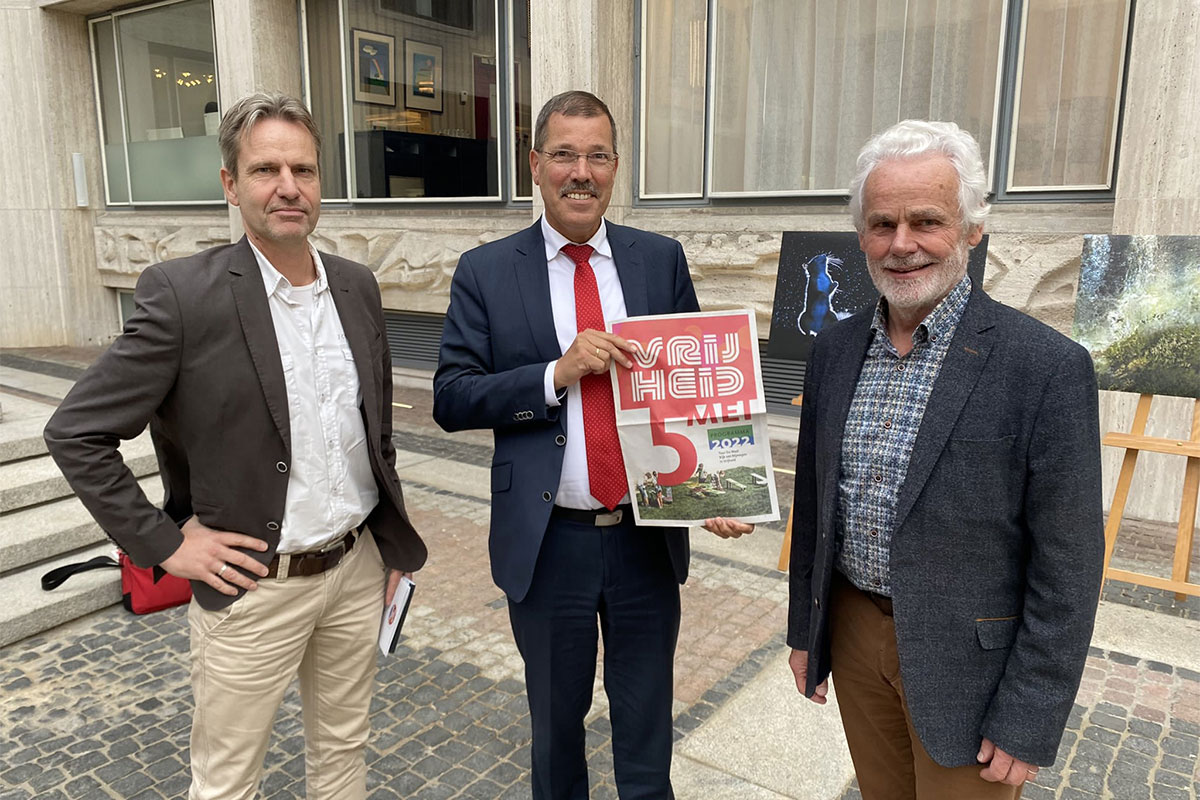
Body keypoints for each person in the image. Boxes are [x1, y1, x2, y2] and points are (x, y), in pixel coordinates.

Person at [43, 92, 426, 800]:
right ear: (230, 184)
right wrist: (164, 544)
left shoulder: (356, 286)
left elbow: (371, 438)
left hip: (355, 570)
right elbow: (75, 431)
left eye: (304, 169)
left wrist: (390, 548)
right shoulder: (183, 295)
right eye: (265, 170)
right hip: (253, 587)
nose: (288, 187)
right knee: (227, 782)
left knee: (343, 754)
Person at [433, 90, 752, 799]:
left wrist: (715, 488)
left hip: (643, 538)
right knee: (556, 729)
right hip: (549, 545)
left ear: (615, 168)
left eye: (598, 156)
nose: (582, 171)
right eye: (566, 155)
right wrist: (555, 373)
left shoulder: (657, 259)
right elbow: (452, 397)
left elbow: (693, 384)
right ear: (536, 165)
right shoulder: (486, 270)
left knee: (646, 728)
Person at [786, 119, 1104, 799]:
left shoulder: (1045, 367)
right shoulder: (835, 352)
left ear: (972, 229)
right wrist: (804, 630)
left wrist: (1030, 715)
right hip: (853, 633)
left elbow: (1068, 565)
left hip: (972, 668)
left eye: (927, 220)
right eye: (882, 224)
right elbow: (815, 507)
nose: (902, 245)